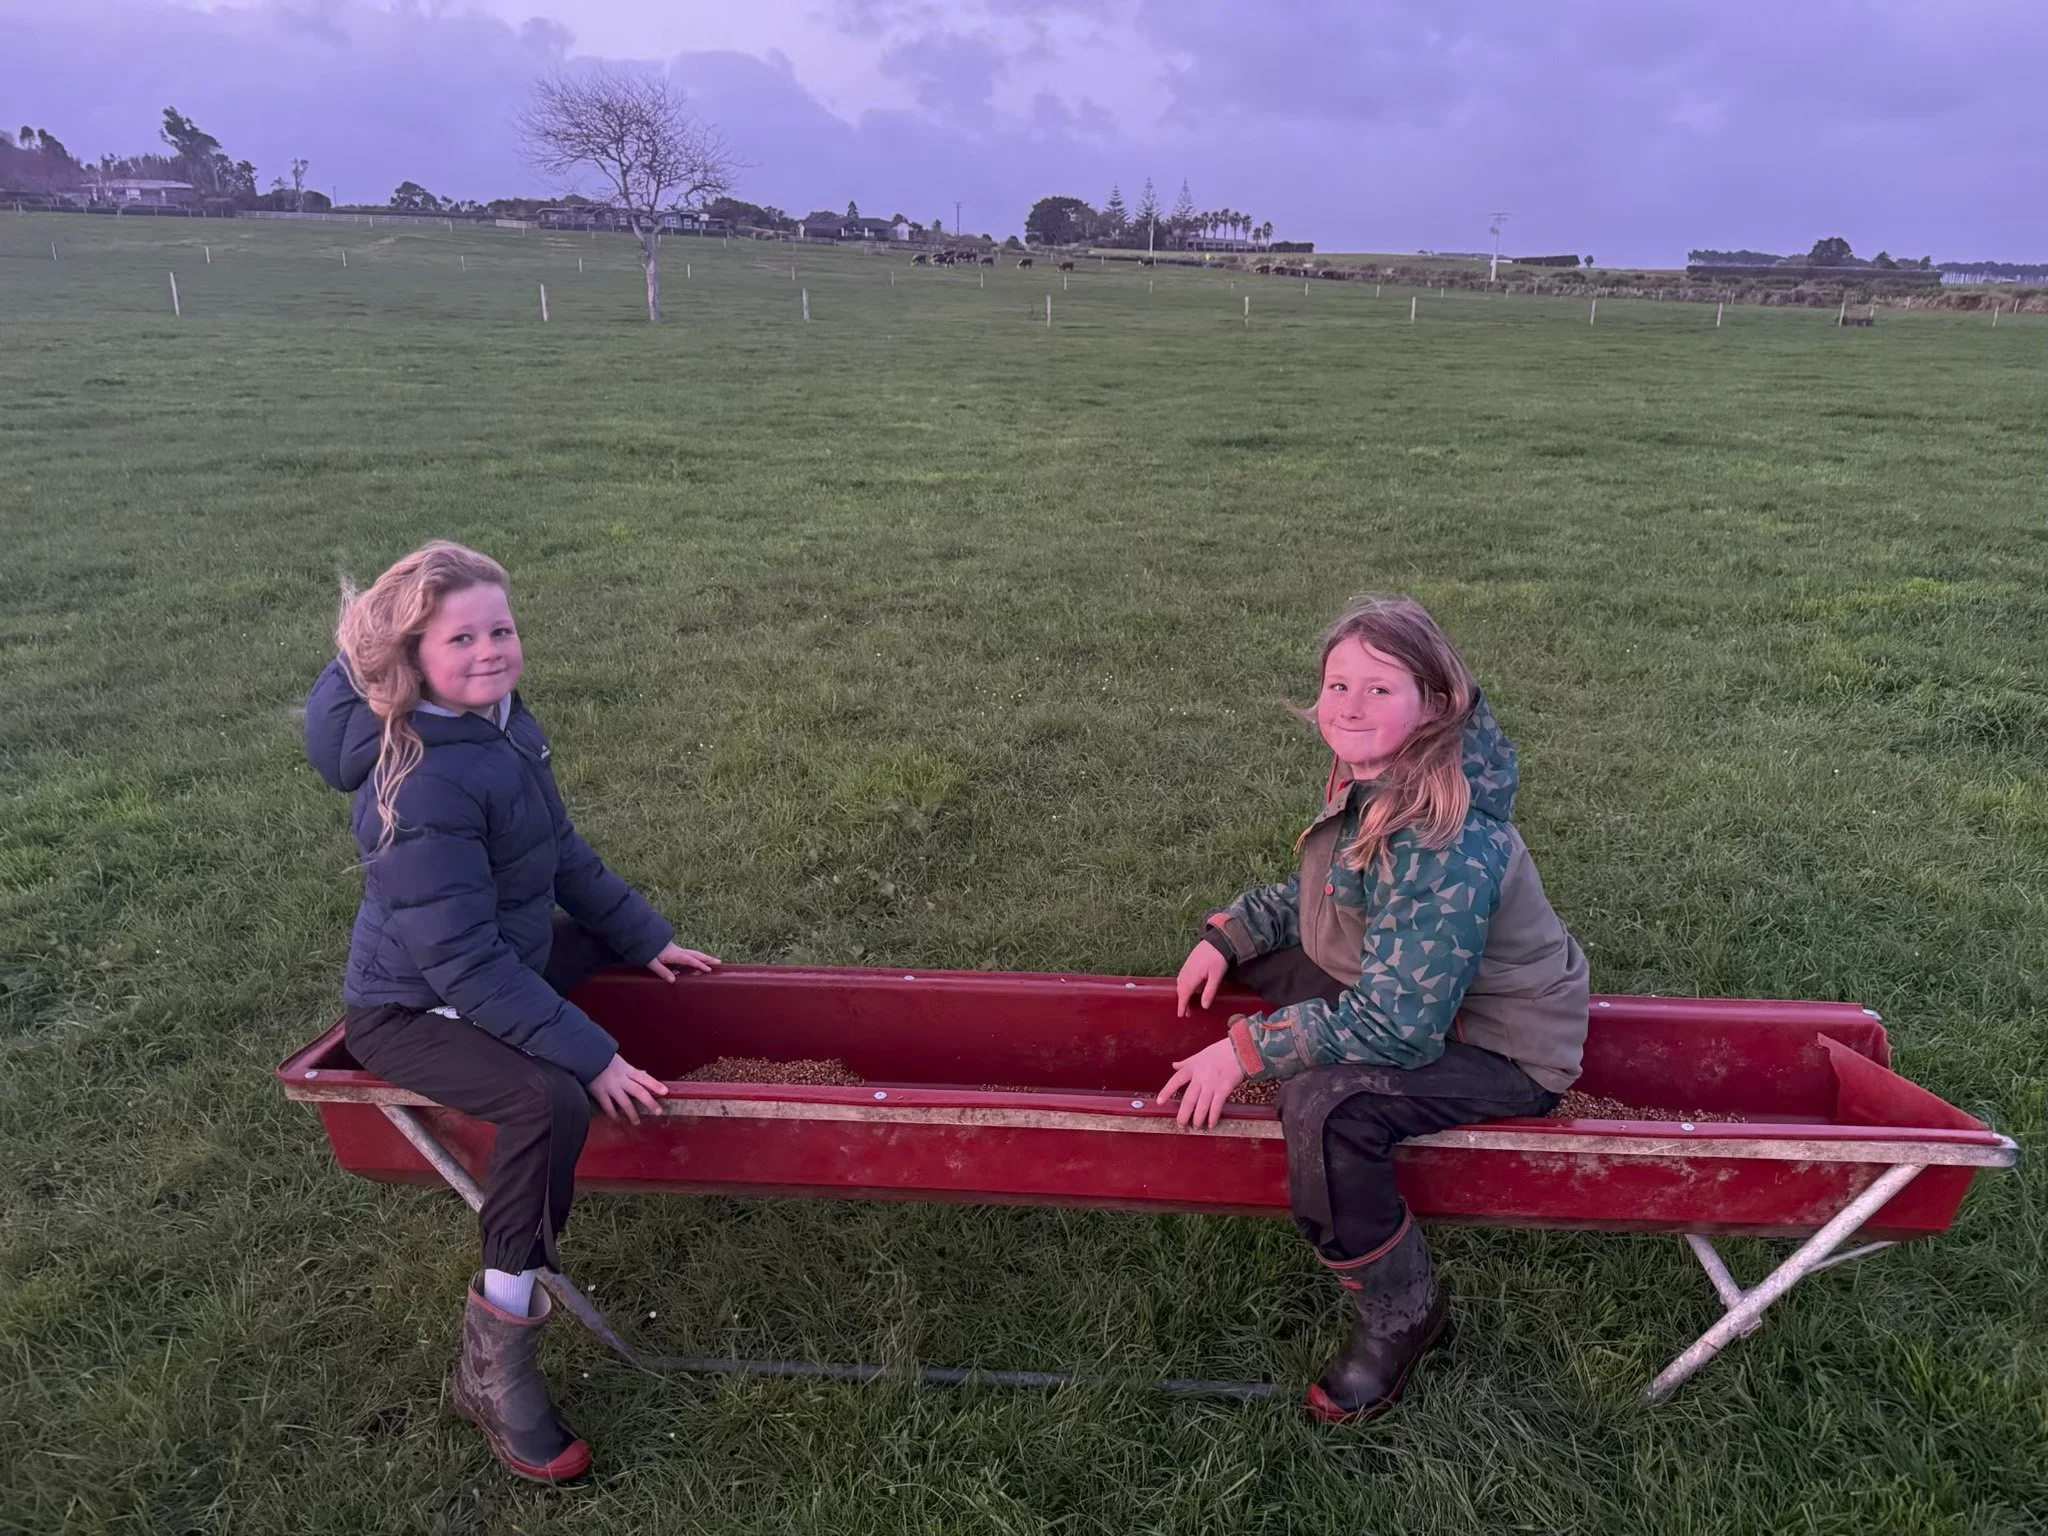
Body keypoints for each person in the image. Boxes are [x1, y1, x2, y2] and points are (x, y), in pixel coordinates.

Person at [303, 540, 718, 1482]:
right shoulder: (420, 783)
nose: (491, 649)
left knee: (600, 967)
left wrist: (643, 935)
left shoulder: (496, 723)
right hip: (412, 1006)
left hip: (492, 961)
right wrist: (596, 1056)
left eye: (503, 628)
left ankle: (535, 1213)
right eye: (463, 637)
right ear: (410, 661)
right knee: (550, 1100)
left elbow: (561, 850)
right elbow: (461, 963)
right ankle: (493, 1357)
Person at [1157, 594, 1588, 1423]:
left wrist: (1243, 1053)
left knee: (1325, 1105)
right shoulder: (1383, 777)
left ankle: (1403, 1315)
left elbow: (1399, 1027)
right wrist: (1233, 932)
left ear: (1433, 703)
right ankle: (1275, 1030)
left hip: (1498, 1044)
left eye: (1379, 688)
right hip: (1420, 999)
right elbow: (1325, 892)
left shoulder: (1440, 838)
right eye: (1337, 684)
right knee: (1270, 959)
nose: (1350, 704)